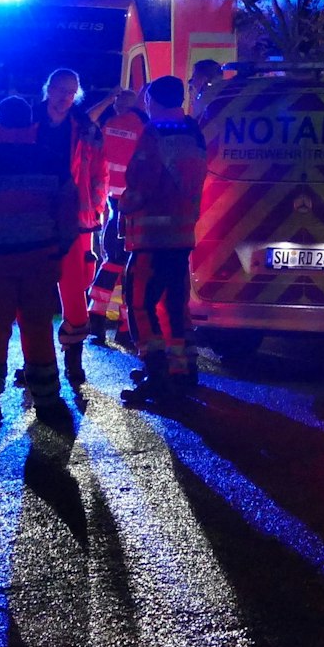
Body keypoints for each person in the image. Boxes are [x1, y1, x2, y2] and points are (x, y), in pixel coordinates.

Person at [0, 96, 81, 430]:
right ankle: (48, 402)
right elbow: (69, 213)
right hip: (40, 257)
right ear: (31, 123)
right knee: (37, 327)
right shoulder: (51, 161)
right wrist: (58, 248)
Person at [118, 75, 208, 409]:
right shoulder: (192, 132)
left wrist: (123, 203)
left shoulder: (153, 133)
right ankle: (182, 370)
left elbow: (141, 184)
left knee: (140, 304)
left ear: (151, 100)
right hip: (182, 236)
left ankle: (156, 376)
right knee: (174, 304)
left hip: (151, 237)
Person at [32, 68, 108, 382]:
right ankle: (35, 359)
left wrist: (96, 210)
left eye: (71, 92)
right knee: (33, 290)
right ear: (48, 89)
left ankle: (73, 360)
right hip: (34, 215)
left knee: (74, 290)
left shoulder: (87, 129)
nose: (65, 97)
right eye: (61, 90)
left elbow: (99, 174)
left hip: (73, 218)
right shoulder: (30, 122)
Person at [89, 81, 148, 347]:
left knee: (113, 259)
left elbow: (96, 154)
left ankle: (97, 320)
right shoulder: (146, 128)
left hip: (113, 203)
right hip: (137, 204)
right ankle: (125, 328)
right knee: (130, 265)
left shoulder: (113, 125)